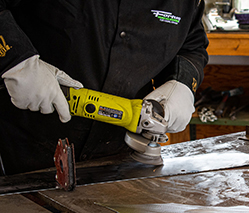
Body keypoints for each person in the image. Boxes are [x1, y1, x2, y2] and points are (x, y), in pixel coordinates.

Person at [0, 1, 209, 175]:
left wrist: (182, 82)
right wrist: (14, 60)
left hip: (118, 158)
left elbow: (192, 44)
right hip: (19, 147)